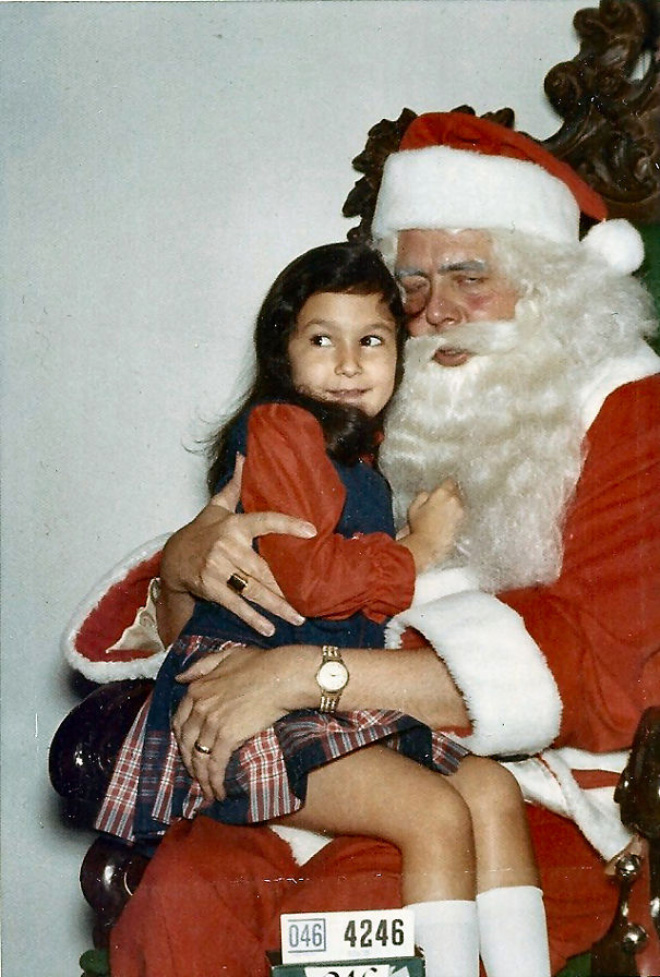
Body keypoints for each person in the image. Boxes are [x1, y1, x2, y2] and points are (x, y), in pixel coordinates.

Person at [66, 113, 660, 975]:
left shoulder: (630, 411)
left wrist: (308, 676)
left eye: (469, 275)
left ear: (548, 288)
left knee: (353, 913)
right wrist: (187, 566)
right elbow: (270, 586)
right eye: (410, 286)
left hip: (547, 794)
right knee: (179, 901)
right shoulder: (386, 403)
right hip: (339, 757)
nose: (436, 310)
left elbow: (597, 669)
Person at [98, 240, 549, 977]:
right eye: (321, 340)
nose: (347, 364)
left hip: (319, 697)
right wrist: (417, 551)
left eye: (371, 340)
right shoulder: (281, 429)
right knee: (432, 813)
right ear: (284, 354)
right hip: (242, 700)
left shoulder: (358, 455)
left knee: (491, 789)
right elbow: (306, 580)